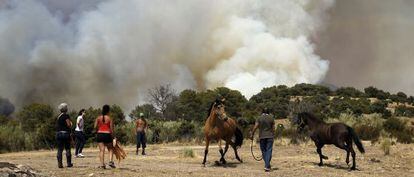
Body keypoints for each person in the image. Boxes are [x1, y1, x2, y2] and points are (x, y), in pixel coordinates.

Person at [250, 108, 275, 172]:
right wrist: (273, 135)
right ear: (268, 112)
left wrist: (252, 134)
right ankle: (267, 165)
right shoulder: (271, 118)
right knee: (269, 150)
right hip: (270, 136)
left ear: (262, 112)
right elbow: (273, 129)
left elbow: (255, 126)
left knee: (263, 151)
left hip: (262, 137)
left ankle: (267, 165)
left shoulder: (259, 118)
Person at [94, 105, 116, 169]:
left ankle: (102, 164)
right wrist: (114, 137)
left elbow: (95, 127)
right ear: (108, 111)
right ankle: (110, 161)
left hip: (100, 134)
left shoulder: (98, 118)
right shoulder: (109, 118)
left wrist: (98, 130)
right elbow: (111, 129)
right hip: (107, 134)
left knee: (101, 150)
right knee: (110, 148)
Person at [56, 103, 73, 168]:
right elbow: (68, 125)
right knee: (68, 148)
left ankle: (60, 164)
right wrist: (71, 124)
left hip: (59, 133)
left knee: (60, 149)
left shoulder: (59, 116)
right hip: (65, 133)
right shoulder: (66, 116)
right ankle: (69, 163)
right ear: (65, 109)